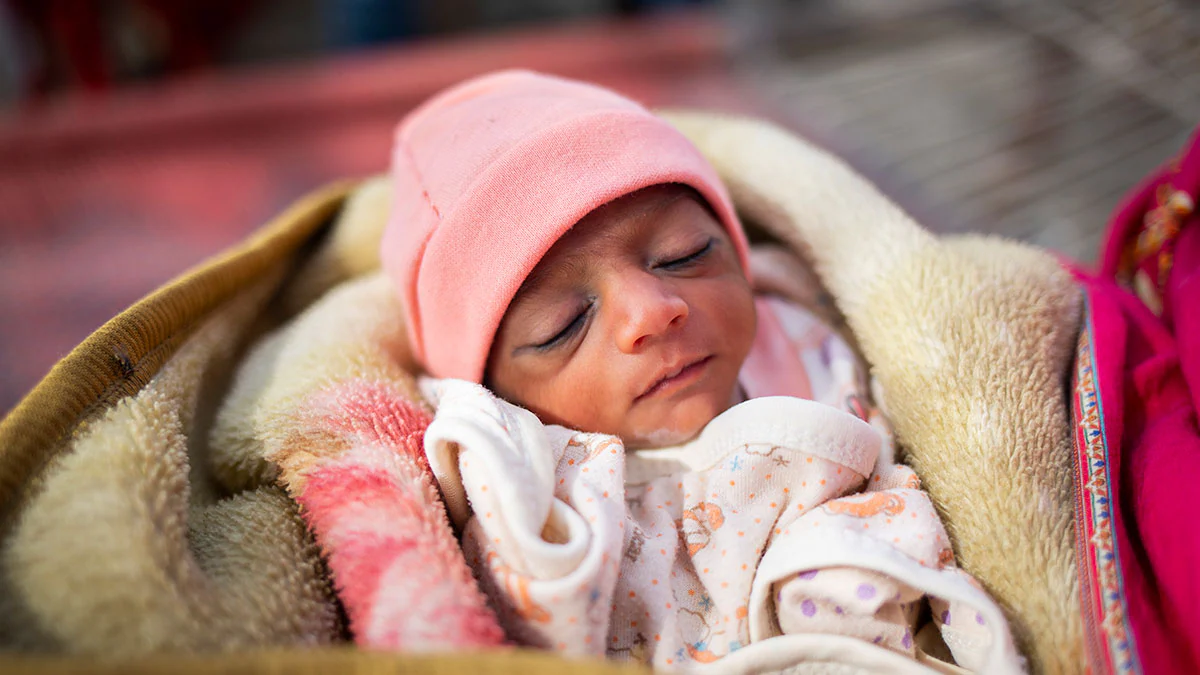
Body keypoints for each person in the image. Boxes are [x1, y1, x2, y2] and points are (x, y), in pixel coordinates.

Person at [380, 70, 1018, 672]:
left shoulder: (805, 334)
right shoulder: (524, 482)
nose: (654, 313)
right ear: (492, 391)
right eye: (564, 325)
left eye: (684, 255)